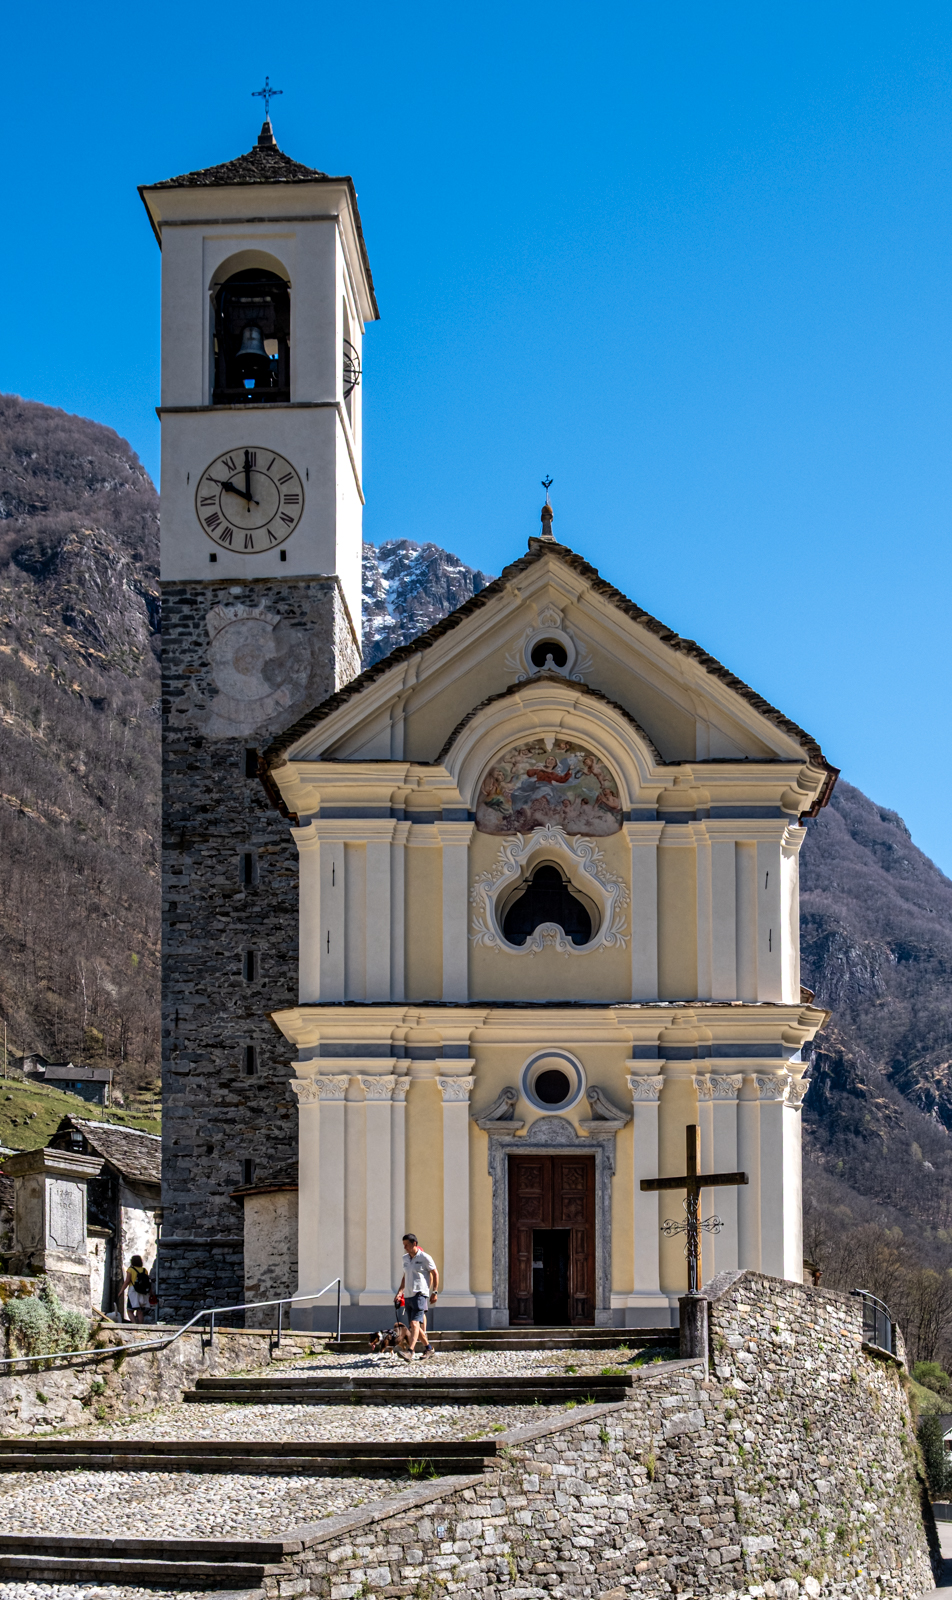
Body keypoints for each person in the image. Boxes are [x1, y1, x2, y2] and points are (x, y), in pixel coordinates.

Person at [395, 1233, 439, 1360]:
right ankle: (429, 1348)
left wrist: (434, 1292)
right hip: (408, 1296)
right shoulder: (405, 1259)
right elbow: (405, 1276)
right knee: (415, 1326)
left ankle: (410, 1351)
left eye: (407, 1245)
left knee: (415, 1323)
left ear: (415, 1244)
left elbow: (434, 1273)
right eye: (404, 1245)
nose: (405, 1247)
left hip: (420, 1294)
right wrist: (399, 1292)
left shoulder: (425, 1257)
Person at [122, 1255, 152, 1323]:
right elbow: (148, 1282)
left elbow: (127, 1281)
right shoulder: (144, 1270)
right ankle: (140, 1326)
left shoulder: (130, 1270)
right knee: (140, 1311)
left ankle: (134, 1325)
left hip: (133, 1291)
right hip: (143, 1291)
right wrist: (151, 1293)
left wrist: (121, 1291)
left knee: (130, 1310)